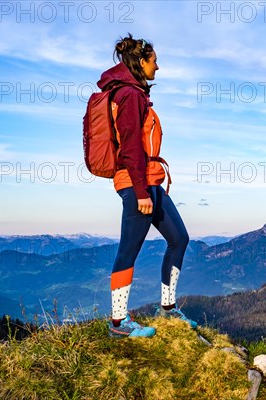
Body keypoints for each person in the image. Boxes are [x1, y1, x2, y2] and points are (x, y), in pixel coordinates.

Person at [97, 34, 197, 338]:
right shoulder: (129, 96)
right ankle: (119, 323)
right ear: (141, 62)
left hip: (151, 180)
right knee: (128, 250)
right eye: (155, 61)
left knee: (179, 238)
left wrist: (148, 187)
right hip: (136, 183)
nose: (159, 66)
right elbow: (129, 148)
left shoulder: (137, 94)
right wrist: (140, 193)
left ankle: (168, 309)